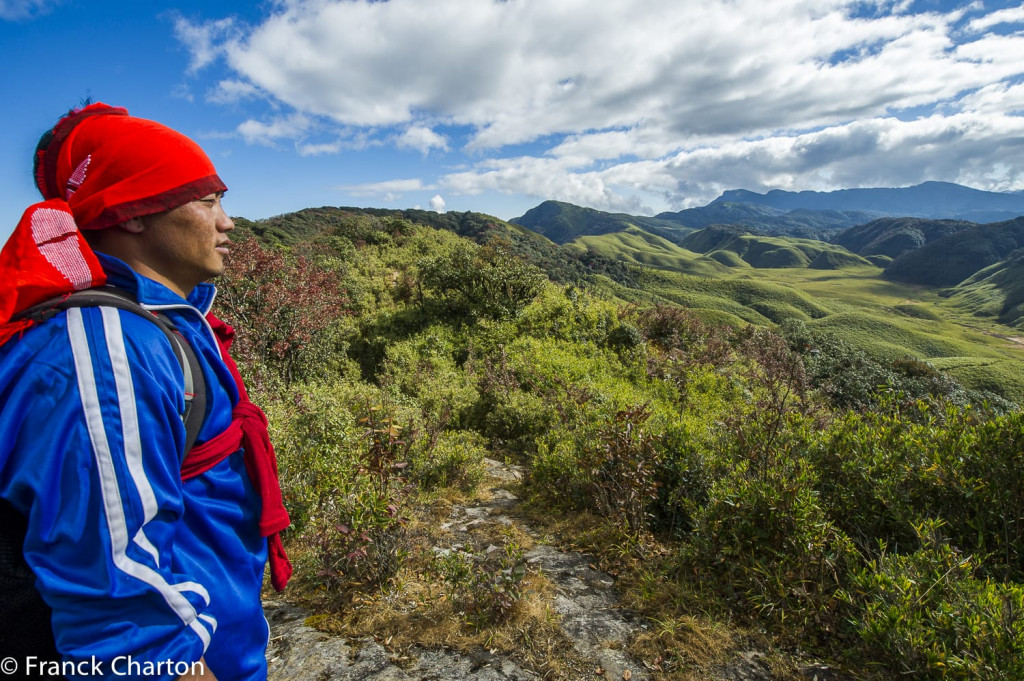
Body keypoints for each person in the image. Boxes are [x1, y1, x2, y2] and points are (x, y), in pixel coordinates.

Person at [0, 103, 291, 680]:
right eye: (207, 201)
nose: (228, 222)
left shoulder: (164, 323)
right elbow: (117, 611)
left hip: (222, 641)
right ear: (132, 212)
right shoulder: (105, 352)